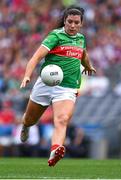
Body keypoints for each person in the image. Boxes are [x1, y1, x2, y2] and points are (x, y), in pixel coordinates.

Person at [20, 5, 96, 167]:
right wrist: (27, 75)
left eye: (76, 22)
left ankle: (55, 150)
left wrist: (88, 66)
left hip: (67, 88)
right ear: (65, 21)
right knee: (30, 119)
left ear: (81, 24)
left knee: (62, 120)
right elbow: (35, 57)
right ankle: (25, 127)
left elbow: (83, 54)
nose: (73, 25)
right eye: (70, 22)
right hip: (45, 84)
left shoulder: (81, 39)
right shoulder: (55, 36)